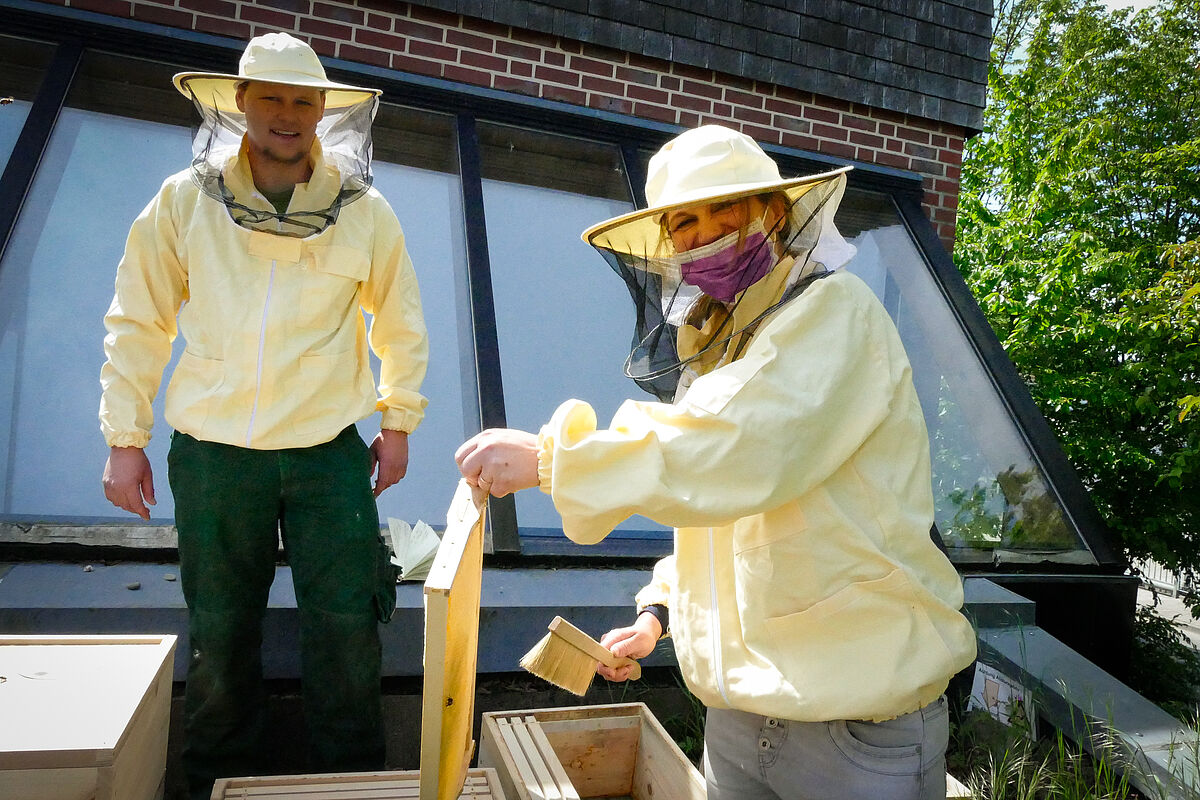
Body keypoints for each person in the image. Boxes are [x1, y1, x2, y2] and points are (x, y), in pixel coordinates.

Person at [455, 125, 977, 800]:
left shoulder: (835, 314)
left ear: (774, 211)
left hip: (854, 732)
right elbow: (720, 509)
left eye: (724, 209)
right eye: (684, 221)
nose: (706, 233)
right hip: (738, 721)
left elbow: (735, 448)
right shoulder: (718, 347)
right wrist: (658, 615)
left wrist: (554, 457)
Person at [99, 32, 428, 798]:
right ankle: (215, 779)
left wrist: (400, 421)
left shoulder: (367, 211)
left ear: (322, 111)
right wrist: (125, 437)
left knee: (348, 628)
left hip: (327, 453)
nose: (287, 114)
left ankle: (351, 784)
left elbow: (401, 322)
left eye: (302, 100)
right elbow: (138, 319)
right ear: (240, 104)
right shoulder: (183, 201)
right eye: (271, 98)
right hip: (214, 455)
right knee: (220, 632)